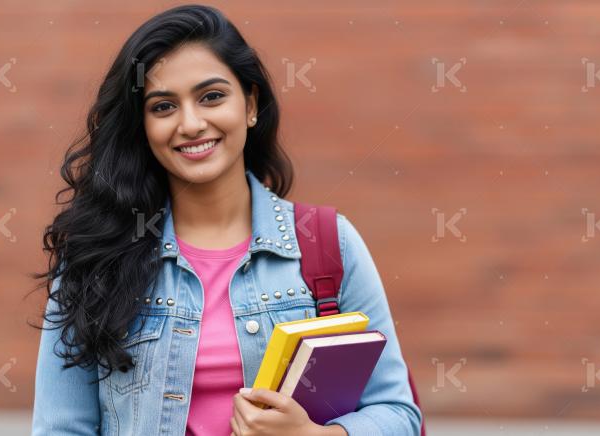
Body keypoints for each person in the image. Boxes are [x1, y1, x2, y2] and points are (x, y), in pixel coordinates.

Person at [30, 4, 421, 435]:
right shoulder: (95, 255)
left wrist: (314, 435)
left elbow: (397, 413)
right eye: (163, 107)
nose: (192, 123)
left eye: (211, 97)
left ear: (250, 104)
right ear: (141, 125)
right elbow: (61, 428)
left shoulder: (329, 244)